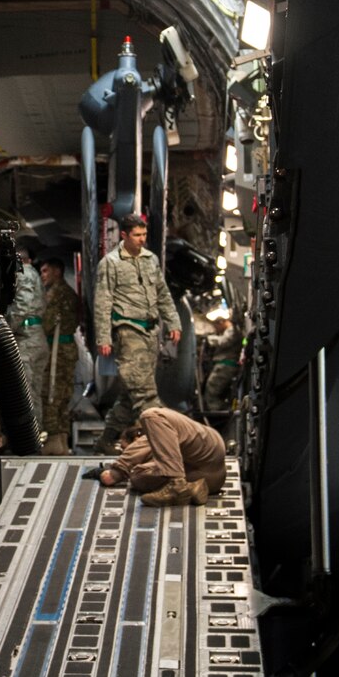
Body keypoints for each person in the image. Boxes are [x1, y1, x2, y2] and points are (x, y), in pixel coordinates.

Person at [92, 214, 181, 450]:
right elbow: (103, 302)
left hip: (151, 333)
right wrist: (103, 337)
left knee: (129, 395)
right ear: (124, 235)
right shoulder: (110, 263)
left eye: (144, 234)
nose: (142, 239)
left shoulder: (150, 259)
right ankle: (171, 443)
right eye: (137, 235)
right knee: (145, 395)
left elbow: (162, 294)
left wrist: (173, 323)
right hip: (128, 332)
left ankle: (106, 441)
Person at [96, 405, 226, 506]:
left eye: (125, 448)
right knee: (138, 475)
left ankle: (178, 486)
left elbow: (110, 477)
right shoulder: (168, 445)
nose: (124, 451)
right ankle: (190, 489)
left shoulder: (152, 432)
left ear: (136, 436)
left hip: (206, 454)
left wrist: (117, 471)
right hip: (209, 480)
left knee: (150, 416)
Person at [38, 256, 82, 455]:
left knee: (51, 394)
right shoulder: (70, 293)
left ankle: (54, 438)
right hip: (67, 349)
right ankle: (62, 439)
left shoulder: (55, 294)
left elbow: (46, 324)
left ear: (57, 272)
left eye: (46, 271)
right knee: (64, 395)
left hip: (56, 351)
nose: (42, 275)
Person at [8, 257, 47, 446]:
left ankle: (27, 440)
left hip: (26, 338)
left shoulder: (23, 273)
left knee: (24, 391)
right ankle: (33, 437)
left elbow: (21, 306)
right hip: (35, 336)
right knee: (33, 391)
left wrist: (4, 330)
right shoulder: (34, 273)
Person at [200, 314, 241, 421]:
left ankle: (218, 417)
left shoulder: (233, 331)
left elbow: (222, 342)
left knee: (212, 389)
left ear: (221, 322)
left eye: (216, 325)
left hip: (226, 366)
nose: (215, 328)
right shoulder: (228, 331)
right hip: (223, 365)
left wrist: (208, 339)